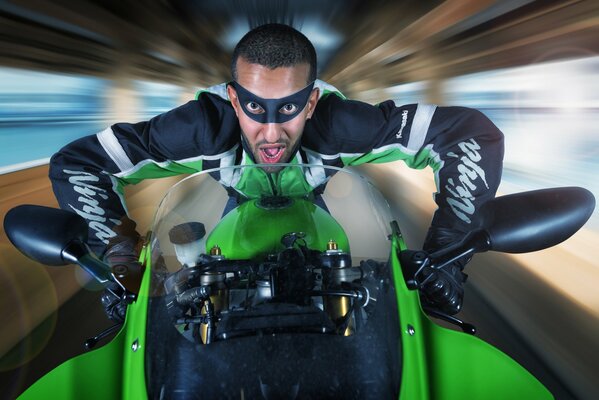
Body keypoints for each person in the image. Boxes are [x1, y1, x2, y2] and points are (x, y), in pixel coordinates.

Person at [49, 23, 503, 320]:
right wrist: (121, 260)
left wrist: (449, 258)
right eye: (252, 108)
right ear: (232, 99)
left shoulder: (340, 125)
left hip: (314, 207)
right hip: (237, 207)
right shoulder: (200, 127)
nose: (270, 132)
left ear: (311, 102)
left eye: (287, 109)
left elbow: (469, 136)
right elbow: (79, 163)